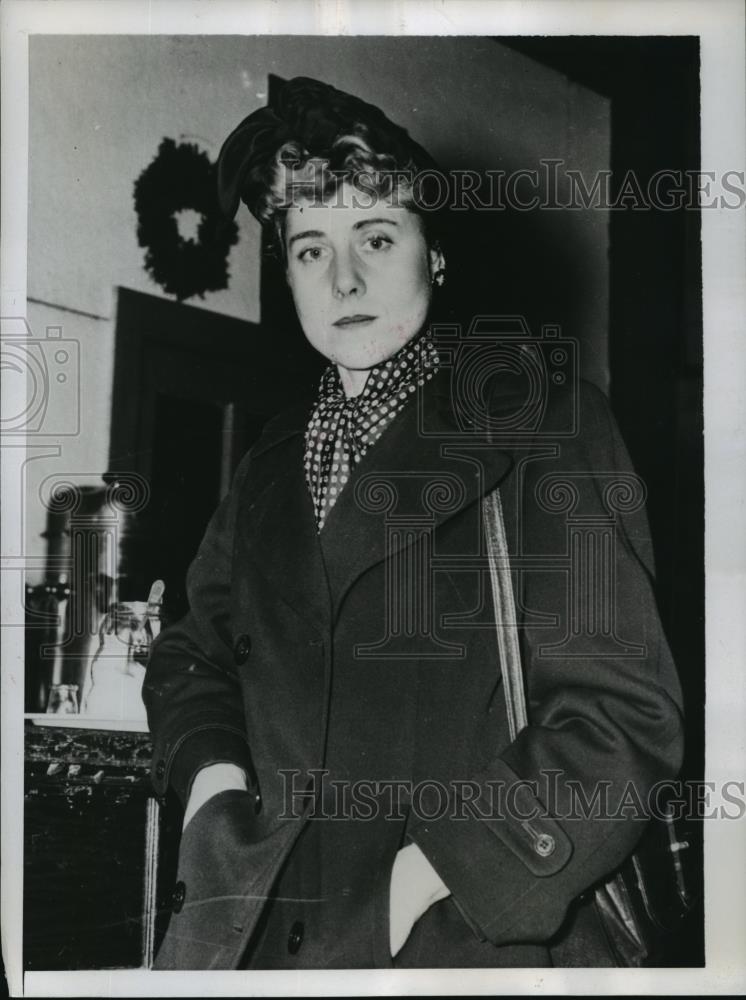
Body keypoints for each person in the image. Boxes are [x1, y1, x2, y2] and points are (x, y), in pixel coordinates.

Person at [142, 76, 685, 970]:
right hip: (260, 938)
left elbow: (622, 719)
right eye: (311, 249)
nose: (344, 278)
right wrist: (214, 789)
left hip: (461, 939)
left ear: (435, 256)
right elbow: (192, 656)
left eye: (377, 237)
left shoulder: (542, 421)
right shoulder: (272, 463)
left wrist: (421, 882)